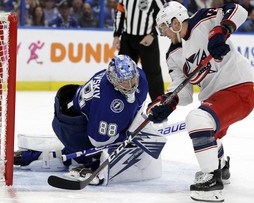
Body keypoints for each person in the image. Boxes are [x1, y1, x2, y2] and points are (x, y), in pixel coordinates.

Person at [147, 1, 254, 202]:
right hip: (215, 98)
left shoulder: (203, 19)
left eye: (164, 28)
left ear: (175, 22)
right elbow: (184, 92)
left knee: (197, 119)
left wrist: (221, 30)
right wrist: (165, 103)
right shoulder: (173, 55)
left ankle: (212, 181)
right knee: (206, 132)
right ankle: (220, 166)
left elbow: (240, 10)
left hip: (237, 88)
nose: (164, 34)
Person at [14, 54, 166, 185]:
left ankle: (32, 155)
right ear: (113, 79)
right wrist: (126, 136)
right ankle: (34, 157)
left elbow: (136, 105)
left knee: (88, 152)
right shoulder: (108, 103)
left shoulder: (140, 77)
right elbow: (98, 142)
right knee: (90, 157)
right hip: (72, 125)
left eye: (132, 79)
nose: (130, 85)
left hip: (79, 110)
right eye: (124, 82)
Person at [112, 0, 166, 101]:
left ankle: (160, 106)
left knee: (153, 74)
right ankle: (118, 103)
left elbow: (165, 16)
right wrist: (116, 35)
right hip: (128, 38)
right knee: (121, 73)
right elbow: (120, 12)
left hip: (148, 39)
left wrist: (153, 34)